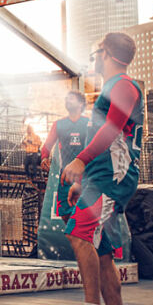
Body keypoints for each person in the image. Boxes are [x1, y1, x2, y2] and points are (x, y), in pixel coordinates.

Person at [60, 32, 143, 305]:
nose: (94, 58)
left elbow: (113, 130)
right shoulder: (110, 88)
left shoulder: (123, 85)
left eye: (97, 52)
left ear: (107, 54)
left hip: (114, 179)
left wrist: (80, 160)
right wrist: (84, 182)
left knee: (78, 235)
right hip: (101, 179)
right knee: (102, 252)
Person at [41, 91, 90, 222]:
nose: (68, 100)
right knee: (65, 214)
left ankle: (87, 241)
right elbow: (46, 146)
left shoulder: (89, 123)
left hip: (87, 177)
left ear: (81, 103)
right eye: (66, 98)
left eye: (72, 98)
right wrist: (44, 158)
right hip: (66, 178)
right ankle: (74, 240)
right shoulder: (59, 124)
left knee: (87, 217)